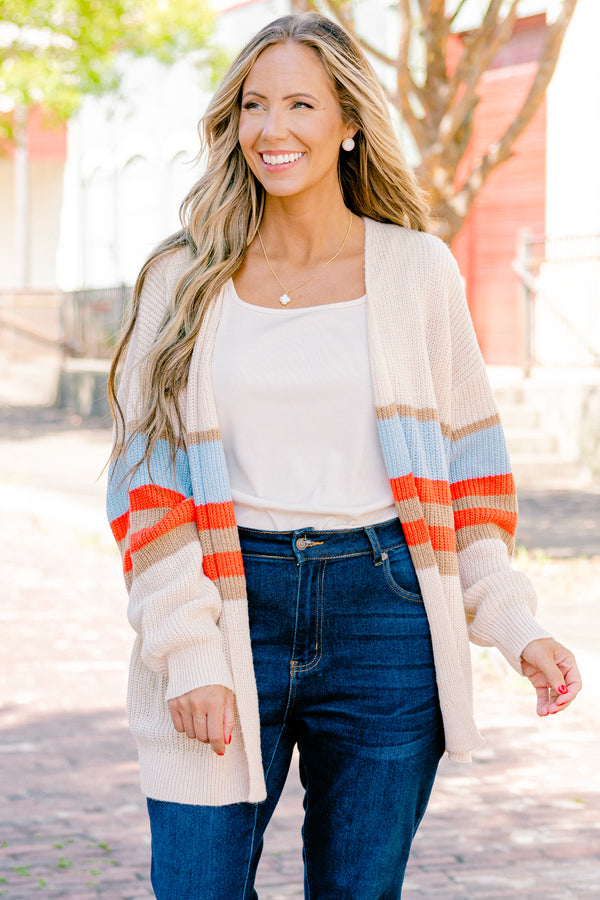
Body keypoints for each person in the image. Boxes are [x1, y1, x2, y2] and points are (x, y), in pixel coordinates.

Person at [106, 11, 582, 899]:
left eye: (300, 105)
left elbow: (471, 475)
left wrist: (517, 624)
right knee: (196, 887)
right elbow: (145, 483)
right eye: (254, 105)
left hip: (387, 613)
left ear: (350, 122)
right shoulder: (184, 276)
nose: (271, 129)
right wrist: (190, 652)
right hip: (225, 597)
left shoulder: (416, 271)